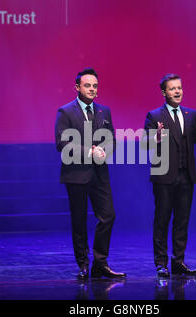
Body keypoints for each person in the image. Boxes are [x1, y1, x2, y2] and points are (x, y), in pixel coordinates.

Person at [144, 73, 196, 277]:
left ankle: (178, 262)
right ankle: (161, 264)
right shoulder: (154, 116)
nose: (177, 91)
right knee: (162, 220)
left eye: (179, 87)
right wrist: (157, 139)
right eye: (172, 88)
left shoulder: (191, 115)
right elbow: (146, 144)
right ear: (164, 92)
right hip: (164, 177)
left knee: (182, 220)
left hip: (186, 177)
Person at [54, 68, 126, 279]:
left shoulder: (104, 111)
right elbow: (62, 143)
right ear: (77, 87)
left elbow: (111, 139)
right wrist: (89, 151)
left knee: (108, 216)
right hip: (76, 173)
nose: (92, 89)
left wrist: (105, 150)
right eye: (87, 85)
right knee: (79, 220)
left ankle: (100, 263)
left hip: (99, 173)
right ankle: (83, 264)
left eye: (95, 85)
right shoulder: (65, 112)